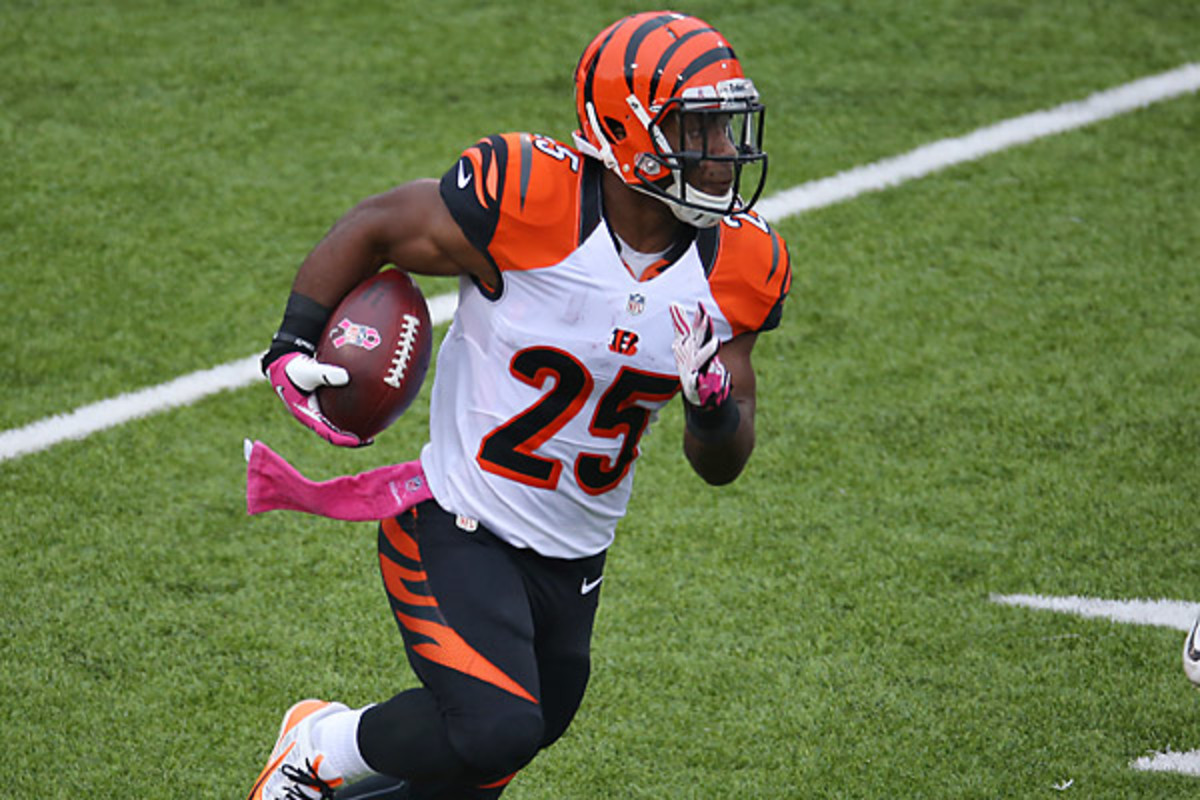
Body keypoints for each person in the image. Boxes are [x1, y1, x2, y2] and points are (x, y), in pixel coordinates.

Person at [245, 10, 791, 800]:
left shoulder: (742, 262)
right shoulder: (532, 201)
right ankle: (318, 746)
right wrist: (293, 343)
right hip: (456, 519)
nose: (725, 152)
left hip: (574, 552)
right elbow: (377, 227)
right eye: (699, 127)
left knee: (499, 753)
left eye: (727, 125)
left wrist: (711, 410)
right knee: (495, 724)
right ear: (630, 131)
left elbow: (722, 464)